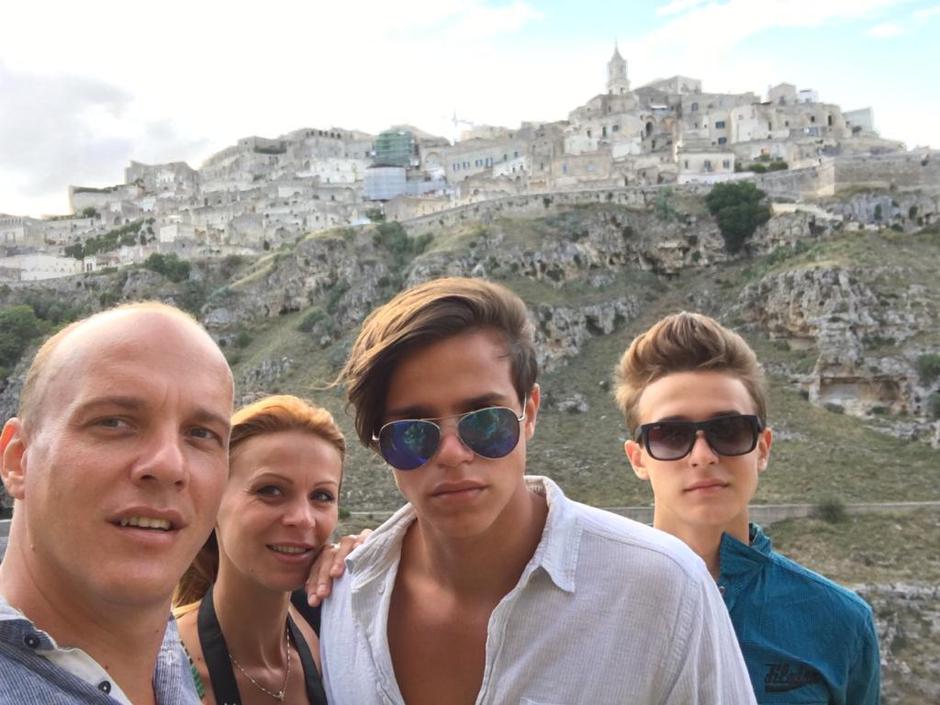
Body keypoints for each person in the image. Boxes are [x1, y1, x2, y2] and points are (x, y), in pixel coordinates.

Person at [320, 276, 756, 705]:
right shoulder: (343, 596)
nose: (452, 453)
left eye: (485, 421)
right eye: (413, 432)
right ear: (379, 444)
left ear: (529, 413)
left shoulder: (664, 589)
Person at [615, 311, 881, 704]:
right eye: (670, 435)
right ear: (638, 458)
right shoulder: (589, 611)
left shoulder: (840, 623)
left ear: (763, 448)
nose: (702, 456)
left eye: (729, 430)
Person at [0, 302, 234, 704]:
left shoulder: (170, 659)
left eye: (201, 433)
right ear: (18, 460)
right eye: (113, 422)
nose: (169, 465)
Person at [173, 395, 345, 705]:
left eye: (322, 496)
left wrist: (373, 568)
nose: (303, 518)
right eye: (271, 490)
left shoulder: (340, 639)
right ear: (212, 501)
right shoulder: (163, 670)